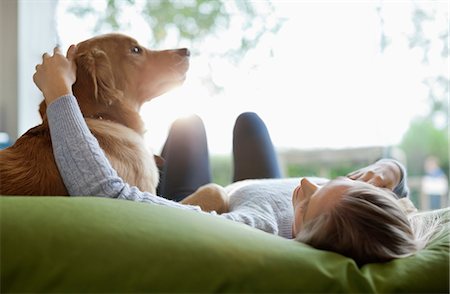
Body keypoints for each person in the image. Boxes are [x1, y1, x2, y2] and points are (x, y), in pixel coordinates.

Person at [34, 45, 440, 266]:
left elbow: (107, 194)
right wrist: (388, 169)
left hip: (216, 202)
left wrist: (59, 93)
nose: (304, 182)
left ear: (300, 235)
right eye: (333, 182)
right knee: (249, 121)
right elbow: (397, 192)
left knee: (188, 125)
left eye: (311, 198)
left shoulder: (254, 229)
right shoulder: (358, 212)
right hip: (256, 186)